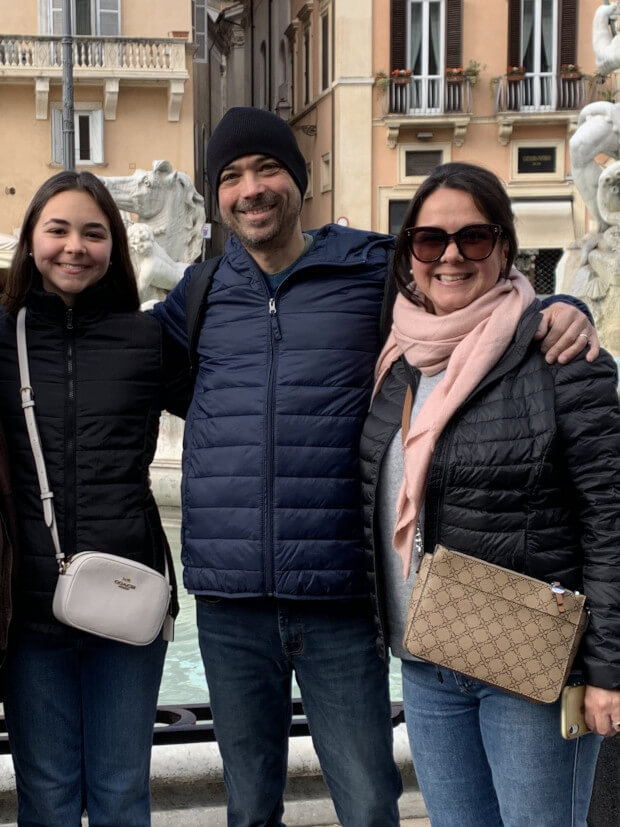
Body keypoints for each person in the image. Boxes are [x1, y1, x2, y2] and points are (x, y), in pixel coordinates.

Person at [151, 108, 600, 826]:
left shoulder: (370, 271)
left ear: (299, 181)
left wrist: (562, 305)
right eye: (231, 177)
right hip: (230, 597)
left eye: (267, 169)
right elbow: (125, 358)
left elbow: (466, 294)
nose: (251, 189)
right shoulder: (199, 295)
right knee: (248, 807)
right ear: (216, 196)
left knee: (366, 802)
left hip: (341, 593)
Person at [360, 161, 620, 827]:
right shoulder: (398, 361)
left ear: (504, 246)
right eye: (429, 240)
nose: (450, 255)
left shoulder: (560, 354)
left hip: (529, 662)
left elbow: (609, 521)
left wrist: (608, 671)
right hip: (425, 659)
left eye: (473, 238)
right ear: (409, 254)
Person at [0, 171, 184, 826]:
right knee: (45, 798)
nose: (74, 246)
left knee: (121, 794)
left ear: (114, 247)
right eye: (58, 229)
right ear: (31, 241)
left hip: (126, 603)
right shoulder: (5, 335)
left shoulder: (146, 338)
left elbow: (239, 392)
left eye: (93, 232)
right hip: (28, 613)